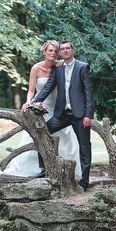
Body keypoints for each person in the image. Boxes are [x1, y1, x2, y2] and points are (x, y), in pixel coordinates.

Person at [4, 40, 82, 180]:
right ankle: (39, 169)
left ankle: (62, 169)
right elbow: (31, 91)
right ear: (44, 52)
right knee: (37, 135)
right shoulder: (36, 68)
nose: (53, 53)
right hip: (40, 107)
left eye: (55, 51)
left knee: (63, 137)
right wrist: (29, 102)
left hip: (58, 108)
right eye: (50, 50)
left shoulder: (61, 66)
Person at [31, 41, 94, 191]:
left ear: (72, 50)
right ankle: (45, 170)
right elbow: (48, 86)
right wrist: (35, 101)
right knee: (43, 133)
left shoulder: (82, 67)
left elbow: (89, 93)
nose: (65, 51)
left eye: (67, 48)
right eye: (62, 49)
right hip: (62, 114)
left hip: (79, 115)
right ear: (60, 52)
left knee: (84, 147)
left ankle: (84, 182)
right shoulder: (57, 68)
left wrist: (88, 115)